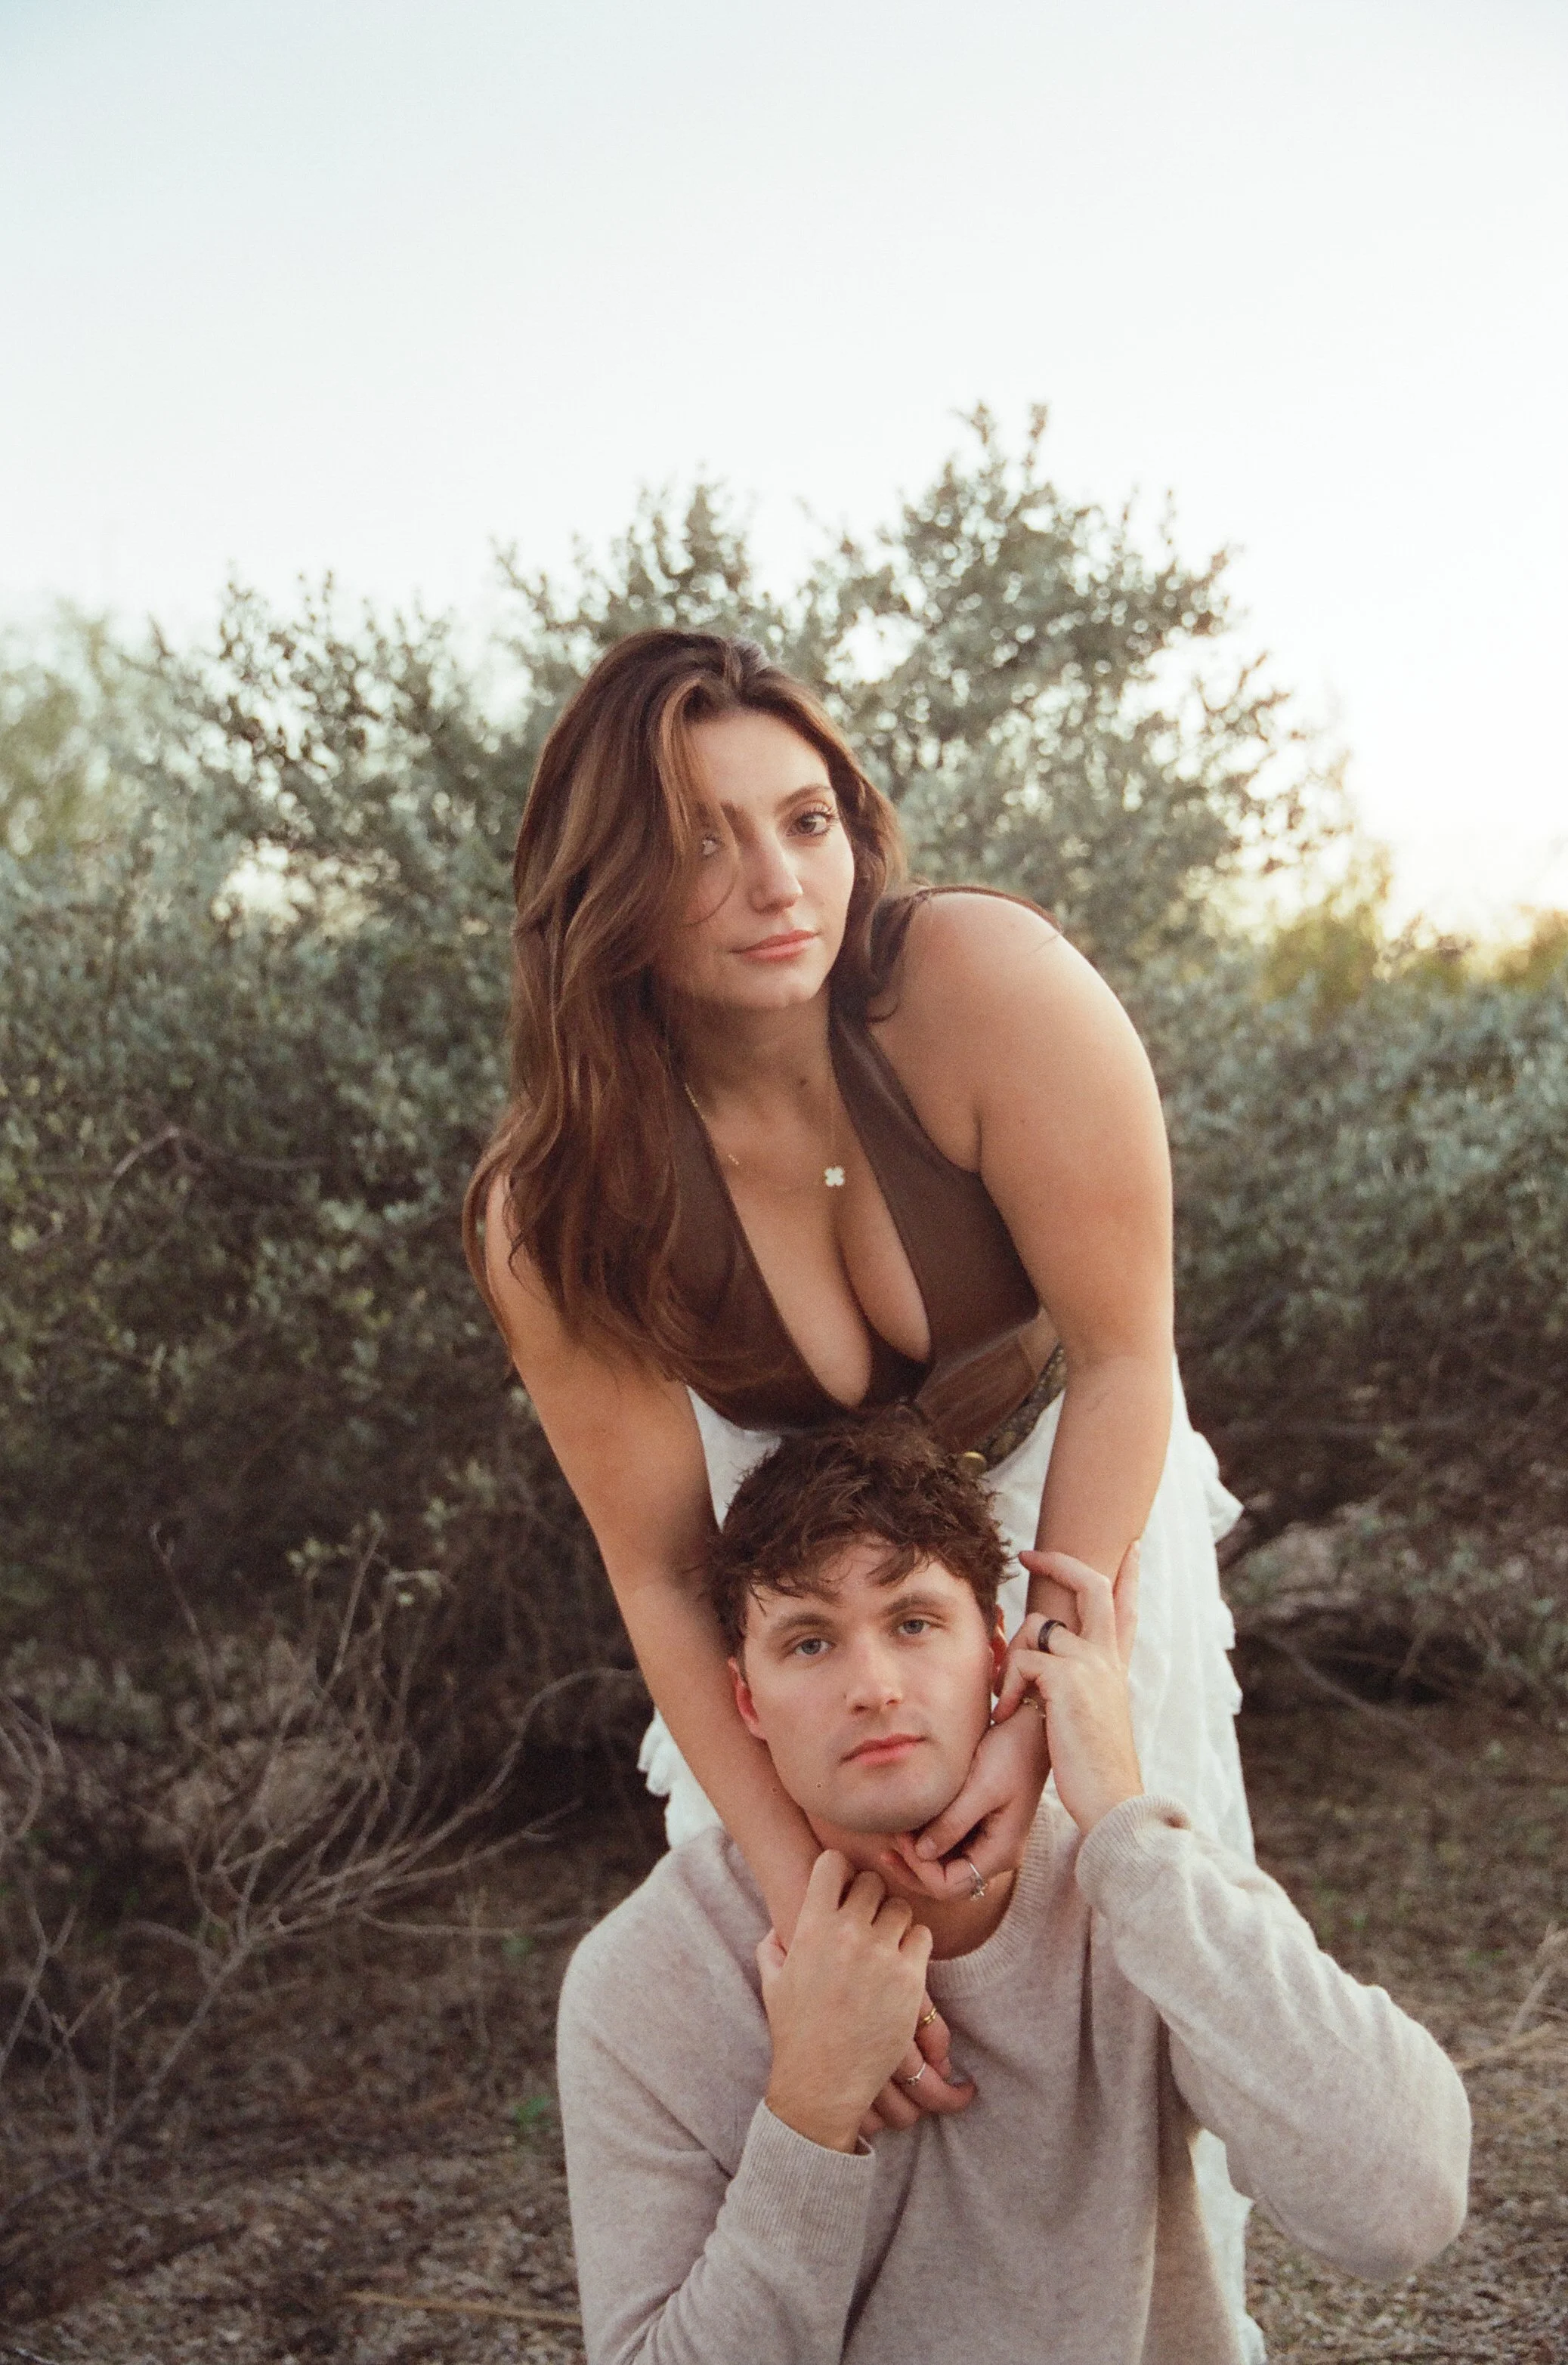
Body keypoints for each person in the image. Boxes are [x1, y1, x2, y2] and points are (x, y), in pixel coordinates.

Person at [464, 626, 1257, 2323]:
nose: (775, 879)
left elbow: (1126, 1357)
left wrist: (1054, 1693)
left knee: (1131, 1930)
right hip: (794, 1541)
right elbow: (666, 1569)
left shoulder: (977, 984)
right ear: (604, 885)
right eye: (698, 839)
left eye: (803, 817)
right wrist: (799, 1882)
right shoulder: (554, 1203)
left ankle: (1183, 2322)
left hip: (1070, 1487)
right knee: (830, 1957)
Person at [555, 1414, 1471, 2365]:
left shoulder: (1129, 1888)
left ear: (996, 1651)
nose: (872, 1685)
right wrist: (809, 2110)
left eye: (913, 1623)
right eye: (809, 1643)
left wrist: (1126, 1827)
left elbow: (1400, 2206)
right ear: (745, 1700)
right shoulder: (645, 1981)